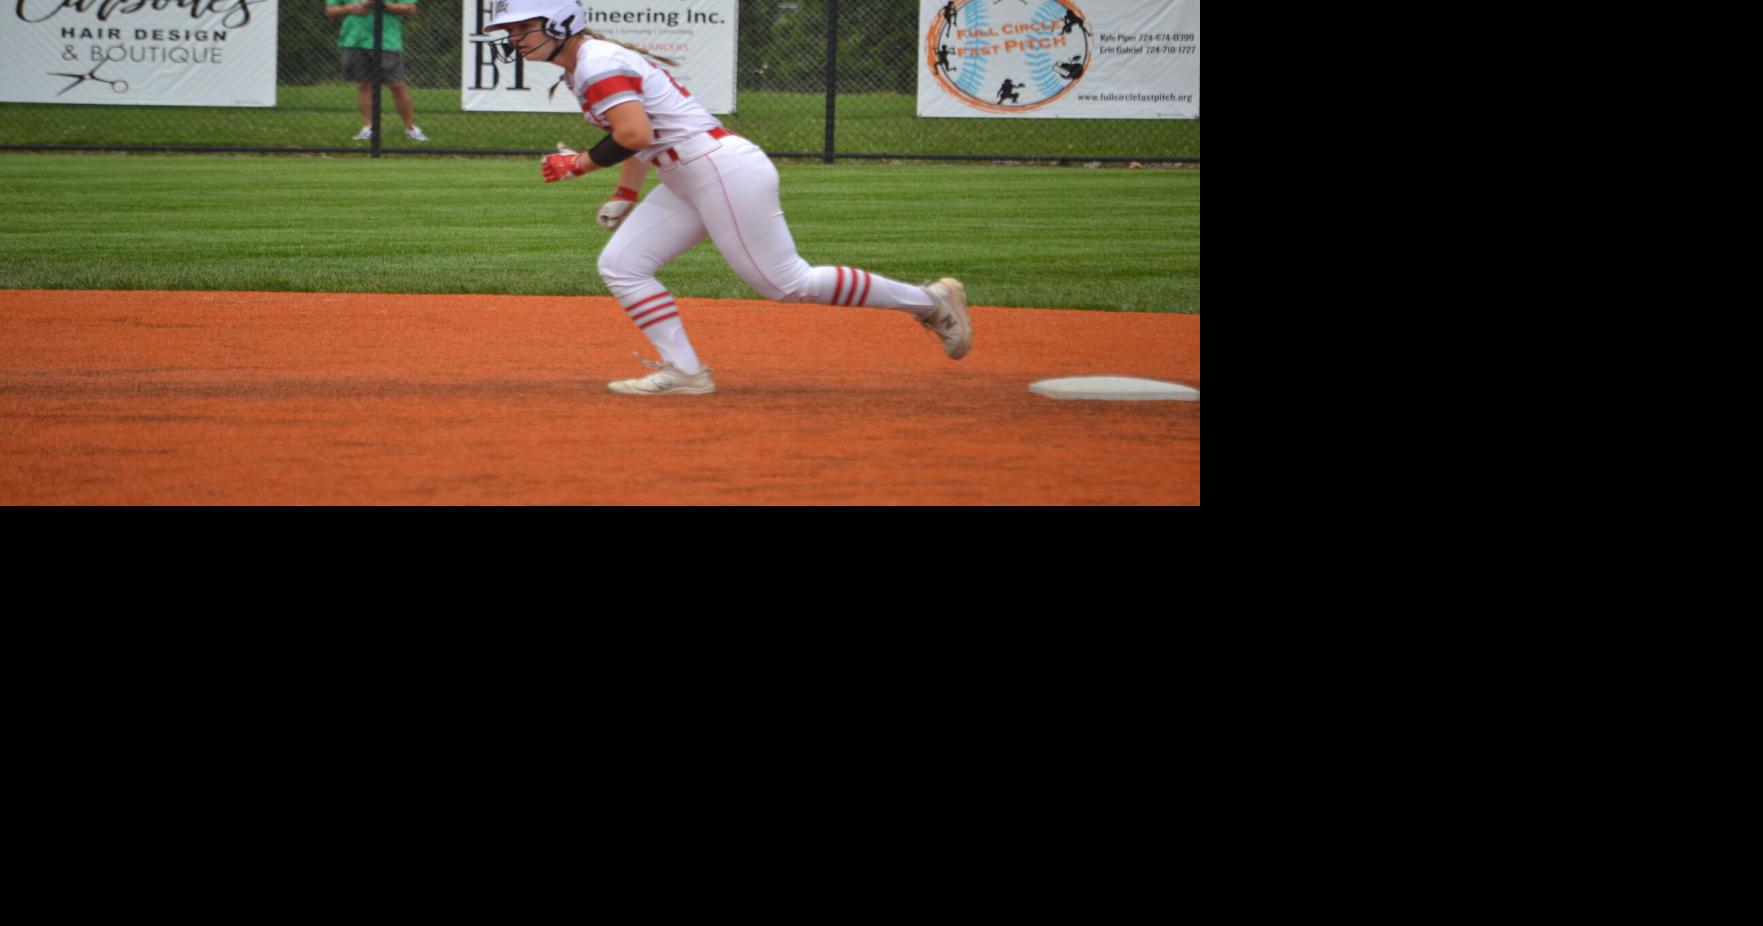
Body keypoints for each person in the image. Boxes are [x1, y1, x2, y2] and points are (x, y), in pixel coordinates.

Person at [484, 0, 971, 396]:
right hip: (691, 171)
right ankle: (685, 371)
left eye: (522, 27)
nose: (513, 38)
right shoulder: (586, 65)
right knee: (623, 265)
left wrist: (579, 164)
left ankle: (928, 301)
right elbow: (640, 134)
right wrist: (624, 192)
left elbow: (633, 133)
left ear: (562, 22)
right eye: (511, 29)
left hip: (714, 167)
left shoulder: (598, 62)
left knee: (785, 283)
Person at [325, 0, 428, 142]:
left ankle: (410, 128)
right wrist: (351, 7)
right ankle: (369, 128)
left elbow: (410, 8)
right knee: (363, 84)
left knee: (396, 85)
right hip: (354, 40)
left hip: (386, 41)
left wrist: (383, 5)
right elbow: (331, 11)